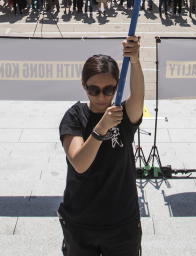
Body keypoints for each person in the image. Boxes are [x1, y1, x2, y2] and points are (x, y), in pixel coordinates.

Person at [59, 36, 144, 255]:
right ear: (83, 86)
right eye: (93, 89)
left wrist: (134, 60)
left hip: (122, 222)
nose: (101, 96)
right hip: (80, 223)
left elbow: (139, 96)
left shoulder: (122, 115)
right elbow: (79, 162)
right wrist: (101, 128)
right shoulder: (74, 116)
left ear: (117, 86)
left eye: (109, 89)